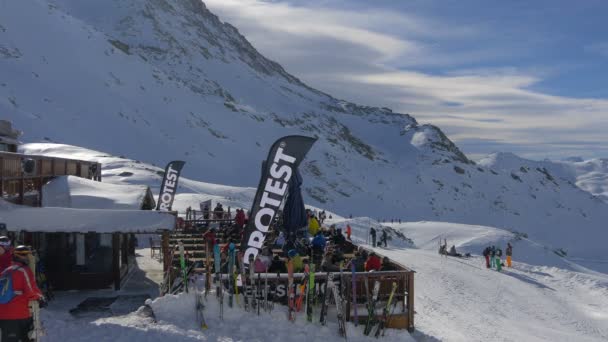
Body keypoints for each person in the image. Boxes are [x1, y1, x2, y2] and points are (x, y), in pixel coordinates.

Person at [0, 245, 44, 342]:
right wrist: (40, 298)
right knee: (28, 338)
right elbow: (31, 291)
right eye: (25, 255)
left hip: (3, 315)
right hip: (19, 314)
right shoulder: (24, 270)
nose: (26, 257)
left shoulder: (5, 272)